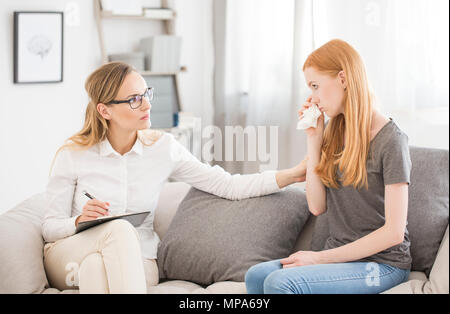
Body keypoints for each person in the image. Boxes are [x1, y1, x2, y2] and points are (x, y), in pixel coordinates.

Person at [42, 62, 308, 294]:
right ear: (105, 111)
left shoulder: (162, 148)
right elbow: (50, 227)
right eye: (134, 99)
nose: (147, 104)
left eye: (146, 93)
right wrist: (79, 221)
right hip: (69, 254)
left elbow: (226, 185)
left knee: (95, 270)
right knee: (117, 232)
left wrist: (293, 174)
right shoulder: (73, 154)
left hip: (139, 259)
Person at [245, 39, 412, 294]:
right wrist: (314, 138)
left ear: (343, 78)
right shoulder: (334, 133)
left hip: (382, 265)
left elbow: (393, 233)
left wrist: (319, 258)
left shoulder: (391, 140)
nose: (312, 98)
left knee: (280, 283)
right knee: (256, 277)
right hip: (340, 258)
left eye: (315, 86)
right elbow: (316, 206)